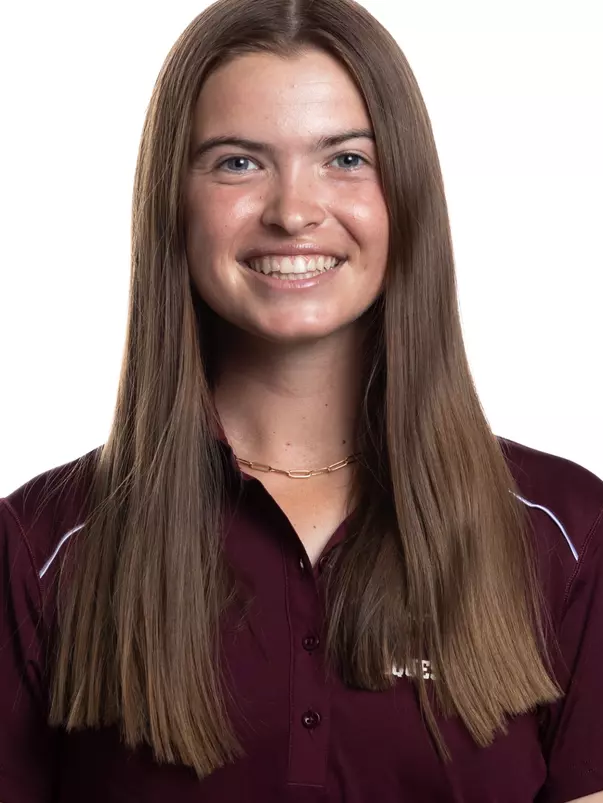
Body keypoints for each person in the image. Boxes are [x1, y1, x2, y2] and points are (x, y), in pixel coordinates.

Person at [1, 0, 602, 800]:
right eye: (237, 163)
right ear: (171, 205)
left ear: (407, 191)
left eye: (345, 159)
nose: (292, 210)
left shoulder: (564, 532)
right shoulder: (40, 546)